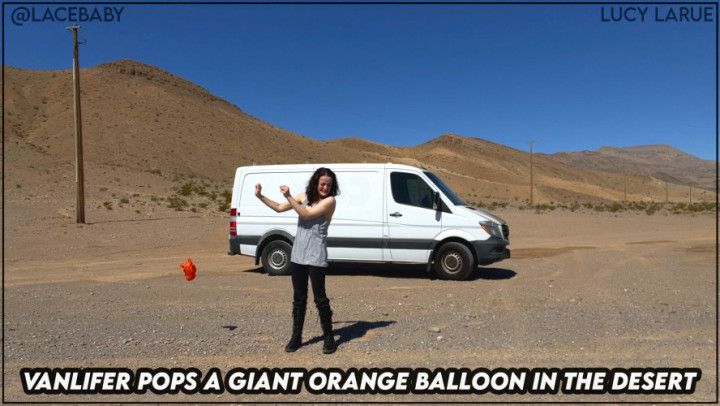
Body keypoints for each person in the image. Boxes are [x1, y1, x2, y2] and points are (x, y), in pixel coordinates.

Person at [254, 167, 340, 354]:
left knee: (320, 299)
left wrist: (289, 197)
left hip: (316, 256)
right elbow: (278, 208)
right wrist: (260, 196)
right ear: (316, 183)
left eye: (328, 184)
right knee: (299, 299)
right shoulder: (303, 197)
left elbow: (306, 215)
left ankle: (329, 338)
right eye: (322, 184)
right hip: (298, 255)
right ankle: (296, 337)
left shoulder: (330, 201)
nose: (325, 187)